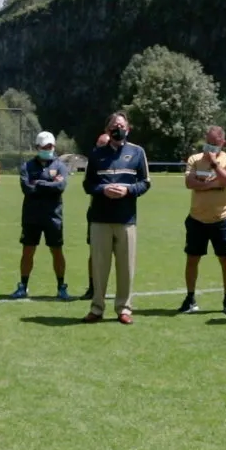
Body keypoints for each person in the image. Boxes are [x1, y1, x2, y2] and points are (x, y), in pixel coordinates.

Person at [82, 112, 150, 325]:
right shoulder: (96, 154)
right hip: (100, 219)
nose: (117, 128)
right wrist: (103, 189)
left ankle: (124, 308)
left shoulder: (137, 152)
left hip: (126, 219)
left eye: (121, 125)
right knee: (99, 267)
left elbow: (145, 182)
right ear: (107, 130)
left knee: (126, 266)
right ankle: (97, 307)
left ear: (128, 128)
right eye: (113, 125)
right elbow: (88, 184)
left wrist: (127, 190)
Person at [181, 126, 226, 315]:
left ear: (223, 142)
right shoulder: (194, 159)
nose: (209, 148)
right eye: (207, 142)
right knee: (192, 259)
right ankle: (190, 298)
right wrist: (214, 184)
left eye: (214, 144)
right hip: (197, 218)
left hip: (221, 219)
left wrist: (215, 165)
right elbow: (189, 183)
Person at [10, 131, 70, 300]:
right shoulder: (27, 166)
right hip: (31, 216)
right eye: (44, 147)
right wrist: (50, 184)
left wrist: (39, 183)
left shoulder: (60, 166)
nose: (47, 149)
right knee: (28, 251)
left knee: (56, 251)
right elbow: (27, 189)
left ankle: (61, 287)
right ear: (37, 147)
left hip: (53, 216)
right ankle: (23, 286)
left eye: (50, 146)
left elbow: (60, 187)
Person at [81, 132, 110, 300]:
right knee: (94, 252)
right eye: (98, 145)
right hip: (96, 213)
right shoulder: (94, 162)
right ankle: (93, 286)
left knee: (120, 254)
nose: (99, 148)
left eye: (103, 145)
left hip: (118, 215)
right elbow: (88, 185)